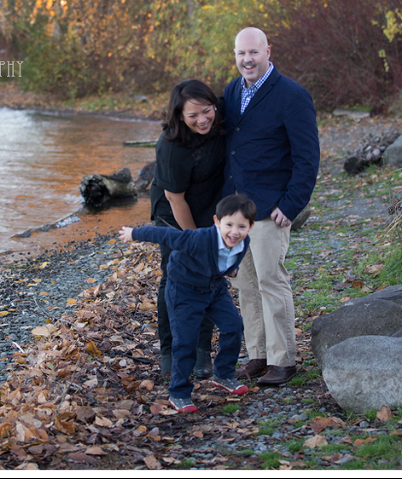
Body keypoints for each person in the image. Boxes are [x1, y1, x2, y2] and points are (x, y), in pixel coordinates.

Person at [223, 27, 320, 387]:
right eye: (240, 53)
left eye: (253, 52)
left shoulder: (292, 95)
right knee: (245, 286)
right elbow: (229, 150)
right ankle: (258, 354)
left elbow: (307, 157)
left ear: (268, 51)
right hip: (237, 212)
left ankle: (283, 360)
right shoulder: (233, 92)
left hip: (270, 210)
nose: (246, 60)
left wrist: (292, 204)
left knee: (271, 281)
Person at [119, 194, 256, 412]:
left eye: (241, 226)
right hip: (185, 290)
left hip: (214, 287)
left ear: (251, 226)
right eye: (229, 225)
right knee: (186, 340)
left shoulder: (243, 241)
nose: (234, 232)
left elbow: (230, 259)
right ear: (217, 221)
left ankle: (224, 374)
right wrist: (134, 233)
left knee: (234, 326)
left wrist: (230, 269)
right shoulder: (199, 239)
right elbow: (165, 234)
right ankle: (179, 392)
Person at [149, 80, 226, 379]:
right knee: (176, 276)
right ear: (180, 116)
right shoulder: (171, 146)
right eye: (193, 115)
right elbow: (175, 198)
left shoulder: (221, 120)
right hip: (173, 213)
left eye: (206, 111)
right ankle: (170, 350)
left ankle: (201, 350)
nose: (202, 119)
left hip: (210, 207)